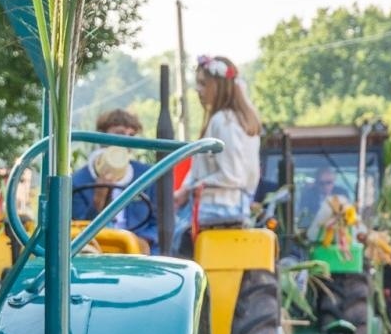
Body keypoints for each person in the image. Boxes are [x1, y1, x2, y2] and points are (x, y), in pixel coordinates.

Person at [175, 54, 262, 246]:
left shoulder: (224, 121)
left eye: (203, 84)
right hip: (232, 205)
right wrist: (183, 190)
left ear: (218, 85)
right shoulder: (240, 121)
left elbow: (231, 175)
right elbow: (201, 167)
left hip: (217, 208)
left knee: (171, 241)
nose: (198, 90)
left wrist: (190, 188)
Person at [70, 107, 158, 252]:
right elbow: (78, 229)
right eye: (119, 134)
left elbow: (159, 223)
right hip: (98, 248)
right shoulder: (78, 181)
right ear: (102, 137)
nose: (126, 142)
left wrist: (143, 240)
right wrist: (98, 199)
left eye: (131, 136)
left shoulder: (147, 176)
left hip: (138, 250)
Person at [297, 164, 351, 229]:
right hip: (312, 231)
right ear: (316, 183)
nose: (325, 186)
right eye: (321, 183)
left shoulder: (342, 194)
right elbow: (302, 218)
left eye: (329, 182)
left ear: (334, 181)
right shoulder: (308, 196)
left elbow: (348, 216)